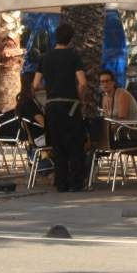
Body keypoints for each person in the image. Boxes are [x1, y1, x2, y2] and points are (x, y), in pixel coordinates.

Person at [32, 23, 87, 193]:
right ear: (70, 39)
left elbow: (35, 84)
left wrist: (51, 87)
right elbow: (83, 82)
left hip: (52, 106)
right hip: (70, 105)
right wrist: (80, 98)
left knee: (58, 145)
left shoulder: (45, 57)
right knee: (75, 144)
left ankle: (61, 183)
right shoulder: (73, 56)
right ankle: (76, 183)